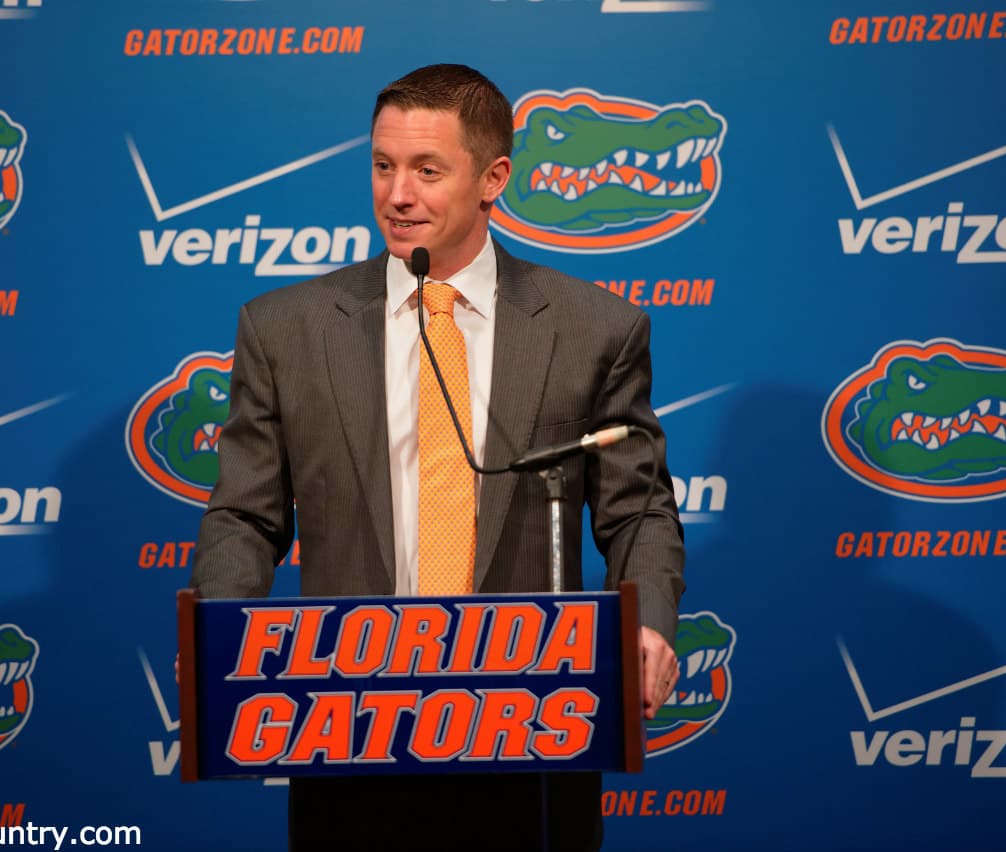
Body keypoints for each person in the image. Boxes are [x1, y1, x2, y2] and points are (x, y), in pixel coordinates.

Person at [191, 64, 685, 851]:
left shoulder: (595, 328)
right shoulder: (286, 329)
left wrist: (649, 620)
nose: (398, 194)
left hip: (535, 729)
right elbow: (246, 515)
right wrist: (217, 631)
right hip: (345, 721)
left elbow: (639, 509)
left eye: (427, 170)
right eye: (383, 166)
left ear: (494, 179)